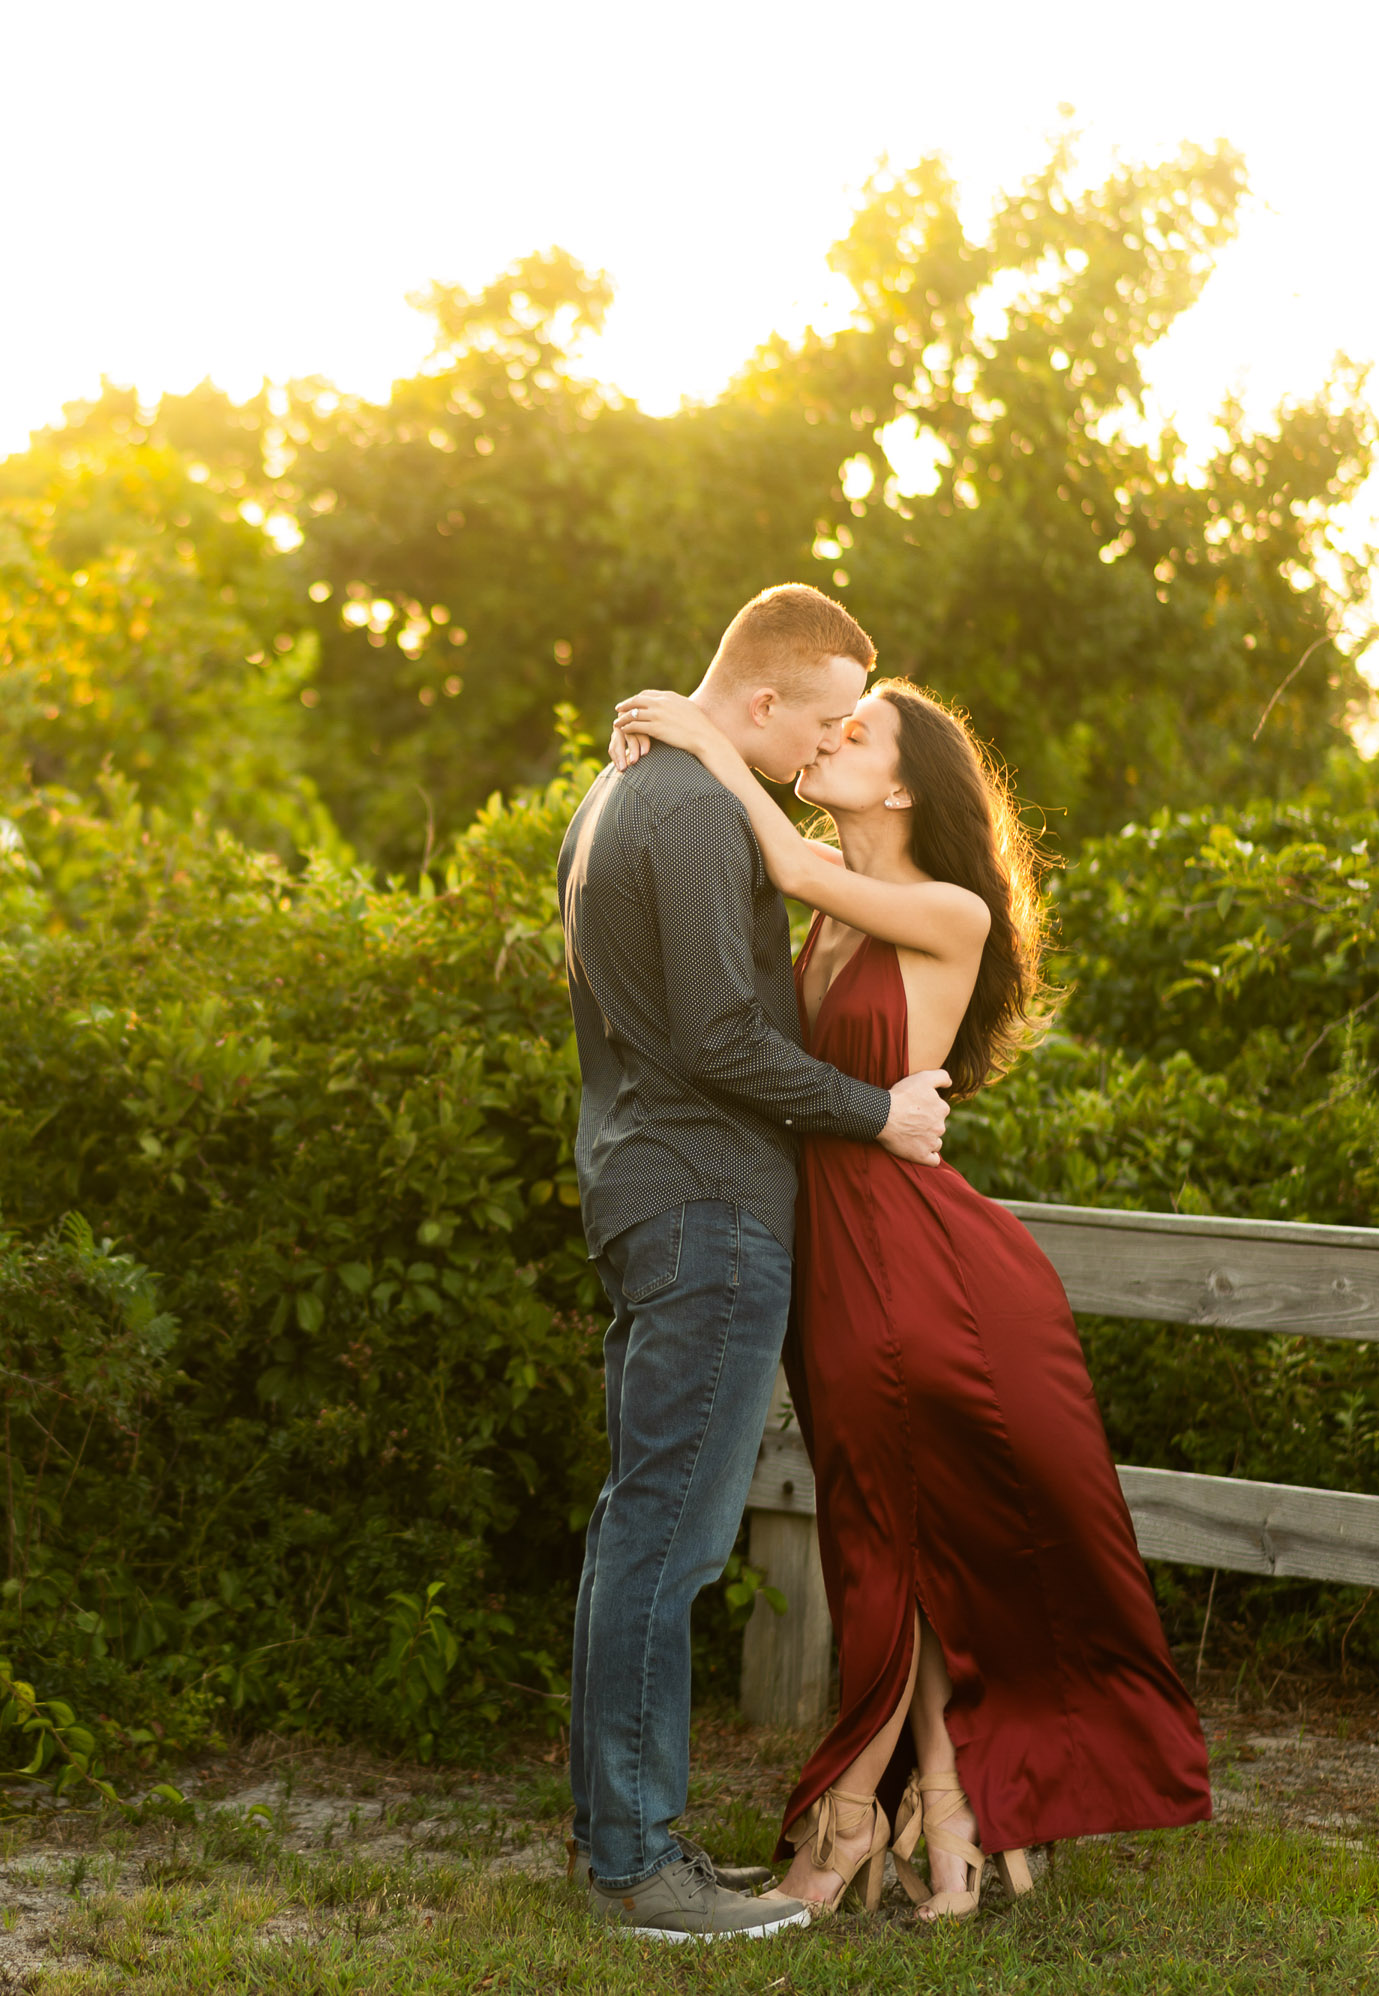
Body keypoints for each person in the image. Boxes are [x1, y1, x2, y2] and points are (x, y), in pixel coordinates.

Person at [608, 673, 1210, 1921]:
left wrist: (705, 732)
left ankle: (846, 1831)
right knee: (900, 1539)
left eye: (855, 732)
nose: (829, 741)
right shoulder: (820, 919)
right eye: (829, 724)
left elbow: (777, 852)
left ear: (900, 782)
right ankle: (945, 1813)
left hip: (921, 1269)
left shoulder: (945, 909)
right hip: (831, 1261)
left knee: (891, 1541)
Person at [556, 584, 951, 1943]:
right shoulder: (699, 812)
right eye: (823, 720)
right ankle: (643, 1866)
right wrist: (877, 1111)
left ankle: (617, 1841)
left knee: (638, 1527)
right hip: (710, 1204)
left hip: (640, 1185)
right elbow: (726, 1037)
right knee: (672, 1537)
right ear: (766, 700)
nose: (824, 747)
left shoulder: (619, 798)